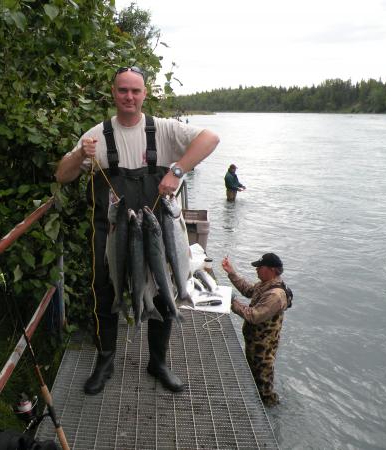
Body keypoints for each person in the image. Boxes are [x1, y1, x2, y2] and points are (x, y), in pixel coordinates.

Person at [55, 66, 219, 395]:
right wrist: (78, 154)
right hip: (112, 231)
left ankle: (158, 362)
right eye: (122, 90)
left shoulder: (165, 130)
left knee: (162, 289)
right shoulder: (96, 136)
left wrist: (176, 169)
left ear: (145, 94)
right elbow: (62, 175)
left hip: (156, 232)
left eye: (135, 91)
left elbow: (211, 138)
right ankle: (105, 361)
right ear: (112, 93)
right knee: (105, 291)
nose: (129, 97)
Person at [221, 253, 290, 406]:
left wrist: (231, 302)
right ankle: (256, 405)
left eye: (260, 267)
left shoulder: (276, 295)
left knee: (263, 385)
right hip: (255, 343)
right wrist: (231, 272)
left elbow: (254, 316)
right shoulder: (266, 284)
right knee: (253, 377)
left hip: (263, 348)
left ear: (271, 270)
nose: (257, 270)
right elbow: (247, 290)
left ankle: (269, 412)